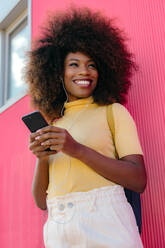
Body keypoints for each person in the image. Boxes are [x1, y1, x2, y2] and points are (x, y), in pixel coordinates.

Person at [25, 7, 147, 247]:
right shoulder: (55, 124)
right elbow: (42, 202)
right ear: (56, 71)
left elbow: (138, 179)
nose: (84, 71)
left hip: (106, 223)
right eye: (74, 64)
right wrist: (42, 159)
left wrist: (76, 149)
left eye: (92, 64)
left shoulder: (113, 112)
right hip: (59, 228)